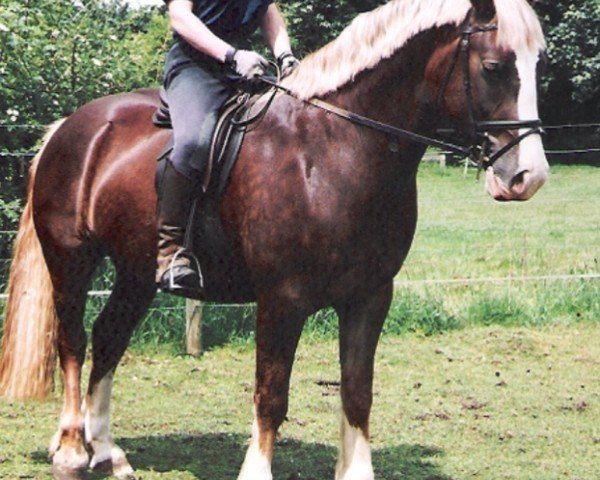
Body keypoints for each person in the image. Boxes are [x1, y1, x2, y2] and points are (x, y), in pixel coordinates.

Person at [156, 0, 299, 295]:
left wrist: (284, 55)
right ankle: (169, 251)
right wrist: (230, 55)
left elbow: (268, 12)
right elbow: (180, 18)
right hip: (195, 67)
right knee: (193, 141)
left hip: (243, 70)